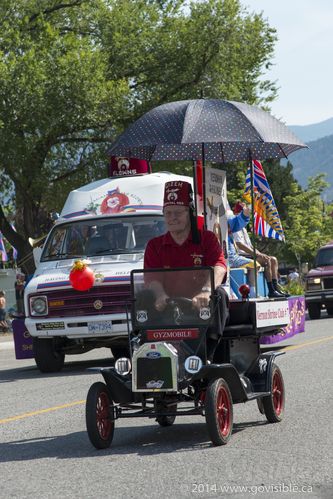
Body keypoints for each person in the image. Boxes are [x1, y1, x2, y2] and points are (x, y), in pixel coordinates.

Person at [144, 180, 229, 362]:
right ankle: (146, 354)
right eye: (168, 213)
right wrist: (159, 295)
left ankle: (206, 357)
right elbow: (152, 278)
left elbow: (219, 267)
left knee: (220, 295)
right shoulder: (154, 245)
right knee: (143, 297)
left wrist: (206, 291)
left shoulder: (206, 239)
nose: (172, 218)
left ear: (189, 212)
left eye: (178, 212)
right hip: (168, 305)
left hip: (200, 305)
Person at [232, 202, 286, 298]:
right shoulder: (235, 226)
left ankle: (276, 287)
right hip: (242, 255)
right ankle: (271, 290)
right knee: (267, 260)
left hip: (250, 254)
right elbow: (240, 245)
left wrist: (260, 253)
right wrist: (258, 254)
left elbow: (250, 245)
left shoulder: (243, 228)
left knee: (273, 259)